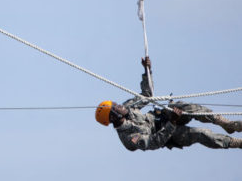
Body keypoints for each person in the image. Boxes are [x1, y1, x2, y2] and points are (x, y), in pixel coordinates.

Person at [95, 57, 242, 150]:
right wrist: (172, 123)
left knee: (184, 107)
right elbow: (154, 142)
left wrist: (147, 71)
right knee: (200, 134)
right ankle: (236, 143)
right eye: (115, 107)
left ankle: (227, 124)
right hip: (168, 134)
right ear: (113, 117)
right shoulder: (128, 138)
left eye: (115, 103)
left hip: (163, 117)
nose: (119, 106)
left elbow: (146, 95)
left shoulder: (127, 108)